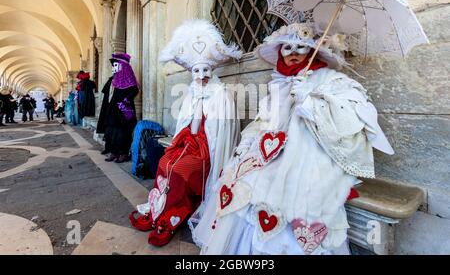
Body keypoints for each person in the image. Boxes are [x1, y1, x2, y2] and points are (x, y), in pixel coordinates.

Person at [190, 23, 395, 255]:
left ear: (313, 52)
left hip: (315, 155)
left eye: (301, 47)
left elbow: (353, 118)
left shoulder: (330, 80)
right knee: (241, 180)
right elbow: (264, 122)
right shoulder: (278, 84)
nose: (294, 53)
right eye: (287, 48)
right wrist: (246, 145)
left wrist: (311, 101)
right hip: (273, 152)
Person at [129, 19, 242, 247]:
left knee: (179, 169)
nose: (201, 75)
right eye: (197, 71)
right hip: (189, 143)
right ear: (191, 73)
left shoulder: (221, 94)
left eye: (206, 70)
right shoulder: (191, 93)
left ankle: (174, 214)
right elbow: (186, 124)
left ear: (212, 71)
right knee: (165, 162)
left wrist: (205, 130)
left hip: (208, 148)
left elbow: (223, 130)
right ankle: (161, 209)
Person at [104, 52, 139, 163]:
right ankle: (114, 152)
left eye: (116, 64)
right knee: (112, 131)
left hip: (124, 110)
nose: (114, 67)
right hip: (114, 110)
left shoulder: (129, 77)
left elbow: (135, 90)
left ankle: (123, 153)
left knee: (123, 132)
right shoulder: (115, 78)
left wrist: (126, 100)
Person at [96, 65, 115, 155]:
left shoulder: (125, 79)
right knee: (108, 129)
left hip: (117, 109)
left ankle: (116, 151)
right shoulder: (111, 79)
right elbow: (106, 92)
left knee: (115, 131)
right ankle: (108, 147)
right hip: (108, 108)